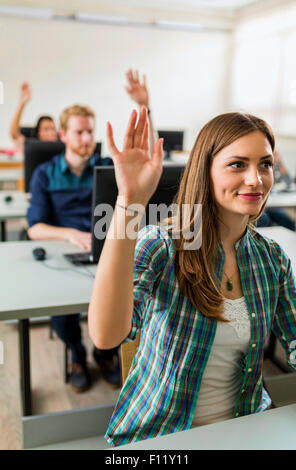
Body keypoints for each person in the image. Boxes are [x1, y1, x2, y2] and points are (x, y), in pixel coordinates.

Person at [88, 108, 296, 446]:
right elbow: (106, 335)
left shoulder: (270, 258)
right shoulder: (163, 245)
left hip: (245, 429)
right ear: (206, 171)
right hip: (162, 437)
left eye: (266, 164)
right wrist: (129, 202)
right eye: (237, 164)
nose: (256, 179)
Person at [27, 104, 120, 392]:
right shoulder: (46, 174)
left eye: (90, 131)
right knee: (61, 310)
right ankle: (77, 355)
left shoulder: (107, 168)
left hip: (106, 251)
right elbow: (35, 228)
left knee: (121, 300)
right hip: (66, 251)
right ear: (63, 135)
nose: (86, 138)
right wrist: (70, 234)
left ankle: (104, 353)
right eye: (79, 132)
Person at [9, 82, 58, 153]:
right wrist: (22, 103)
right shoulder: (31, 146)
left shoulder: (62, 145)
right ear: (39, 133)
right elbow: (14, 133)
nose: (51, 133)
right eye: (46, 129)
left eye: (53, 129)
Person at [257, 149, 295, 230]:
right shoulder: (259, 162)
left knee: (287, 221)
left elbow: (289, 181)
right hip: (260, 202)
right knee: (264, 220)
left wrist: (280, 163)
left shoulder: (277, 163)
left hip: (272, 200)